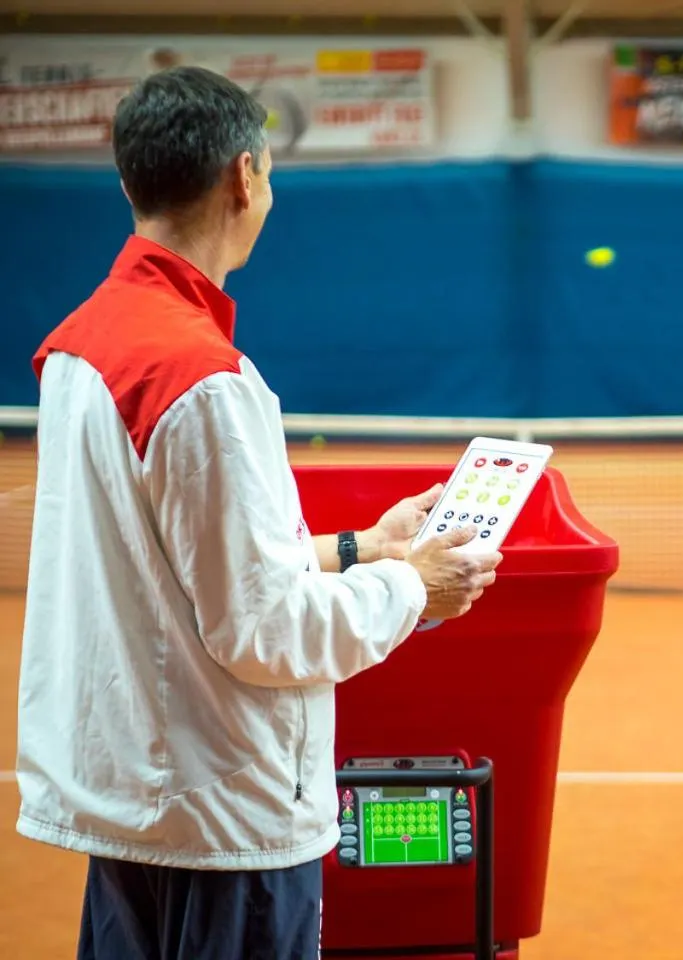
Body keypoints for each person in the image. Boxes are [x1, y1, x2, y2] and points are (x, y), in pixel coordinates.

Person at [14, 65, 501, 960]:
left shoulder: (80, 347)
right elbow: (263, 630)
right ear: (245, 177)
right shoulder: (203, 380)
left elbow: (170, 570)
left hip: (137, 804)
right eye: (269, 171)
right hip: (222, 823)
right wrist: (412, 586)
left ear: (131, 184)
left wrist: (359, 549)